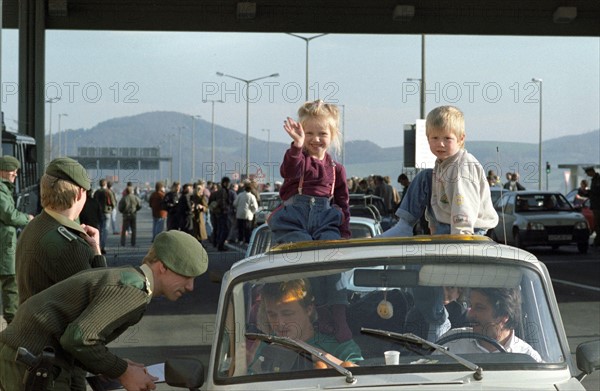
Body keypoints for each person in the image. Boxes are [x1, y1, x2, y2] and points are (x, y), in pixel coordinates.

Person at [0, 230, 208, 391]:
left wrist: (114, 366)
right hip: (31, 363)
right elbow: (79, 338)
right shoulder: (133, 291)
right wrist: (123, 372)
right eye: (186, 276)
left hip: (29, 357)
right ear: (163, 267)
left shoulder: (129, 278)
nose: (191, 287)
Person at [382, 106, 498, 237]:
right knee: (424, 177)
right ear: (427, 139)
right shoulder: (442, 164)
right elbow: (436, 200)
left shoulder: (462, 167)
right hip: (446, 223)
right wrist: (433, 227)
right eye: (435, 138)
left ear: (461, 139)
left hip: (468, 228)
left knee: (441, 180)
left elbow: (464, 203)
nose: (440, 144)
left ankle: (459, 235)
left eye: (447, 138)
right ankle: (404, 225)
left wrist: (462, 234)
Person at [16, 157, 106, 304]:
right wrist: (97, 253)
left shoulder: (33, 226)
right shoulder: (71, 246)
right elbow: (101, 302)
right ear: (79, 194)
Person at [268, 100, 351, 243]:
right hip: (292, 223)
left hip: (326, 223)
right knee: (302, 247)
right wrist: (297, 145)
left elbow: (343, 204)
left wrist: (344, 233)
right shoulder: (298, 159)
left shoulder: (336, 169)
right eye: (309, 133)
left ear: (332, 136)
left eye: (322, 133)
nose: (316, 139)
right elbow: (288, 171)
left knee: (331, 247)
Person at [248, 278, 362, 374]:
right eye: (272, 314)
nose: (280, 322)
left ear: (309, 310)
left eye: (287, 314)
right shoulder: (267, 342)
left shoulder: (340, 345)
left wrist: (311, 353)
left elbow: (362, 378)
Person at [438, 287, 542, 362]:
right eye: (471, 306)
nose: (470, 313)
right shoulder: (450, 342)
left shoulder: (529, 358)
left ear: (504, 315)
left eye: (479, 308)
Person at [0, 156, 34, 324]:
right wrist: (27, 218)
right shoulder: (1, 191)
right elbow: (9, 215)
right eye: (12, 172)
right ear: (3, 171)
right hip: (4, 245)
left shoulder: (4, 189)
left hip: (4, 243)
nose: (15, 175)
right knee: (10, 283)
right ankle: (13, 324)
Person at [209, 176, 236, 251]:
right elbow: (223, 202)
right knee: (225, 229)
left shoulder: (220, 191)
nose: (228, 184)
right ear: (224, 183)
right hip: (223, 213)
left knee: (220, 229)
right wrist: (225, 209)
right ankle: (220, 244)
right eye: (227, 183)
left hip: (219, 213)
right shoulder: (224, 191)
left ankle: (218, 243)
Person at [93, 179, 117, 254]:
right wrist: (112, 208)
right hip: (107, 211)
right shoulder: (108, 192)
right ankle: (102, 246)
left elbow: (94, 201)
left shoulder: (97, 192)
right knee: (105, 229)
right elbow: (113, 202)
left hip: (98, 212)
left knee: (99, 229)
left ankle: (98, 245)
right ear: (105, 184)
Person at [584, 166, 600, 247]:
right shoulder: (594, 179)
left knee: (597, 224)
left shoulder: (598, 179)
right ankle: (597, 241)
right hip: (595, 205)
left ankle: (597, 241)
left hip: (598, 205)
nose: (587, 175)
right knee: (597, 224)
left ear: (591, 172)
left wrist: (589, 192)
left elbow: (597, 192)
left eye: (588, 173)